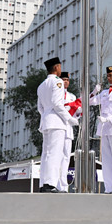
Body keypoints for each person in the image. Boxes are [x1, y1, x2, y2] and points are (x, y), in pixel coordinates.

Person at [38, 58, 78, 193]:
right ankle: (50, 184)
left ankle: (43, 183)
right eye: (60, 67)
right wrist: (69, 119)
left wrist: (46, 116)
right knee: (55, 154)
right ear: (56, 67)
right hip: (57, 122)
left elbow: (40, 107)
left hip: (46, 121)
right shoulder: (58, 82)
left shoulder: (42, 85)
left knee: (46, 154)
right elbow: (57, 103)